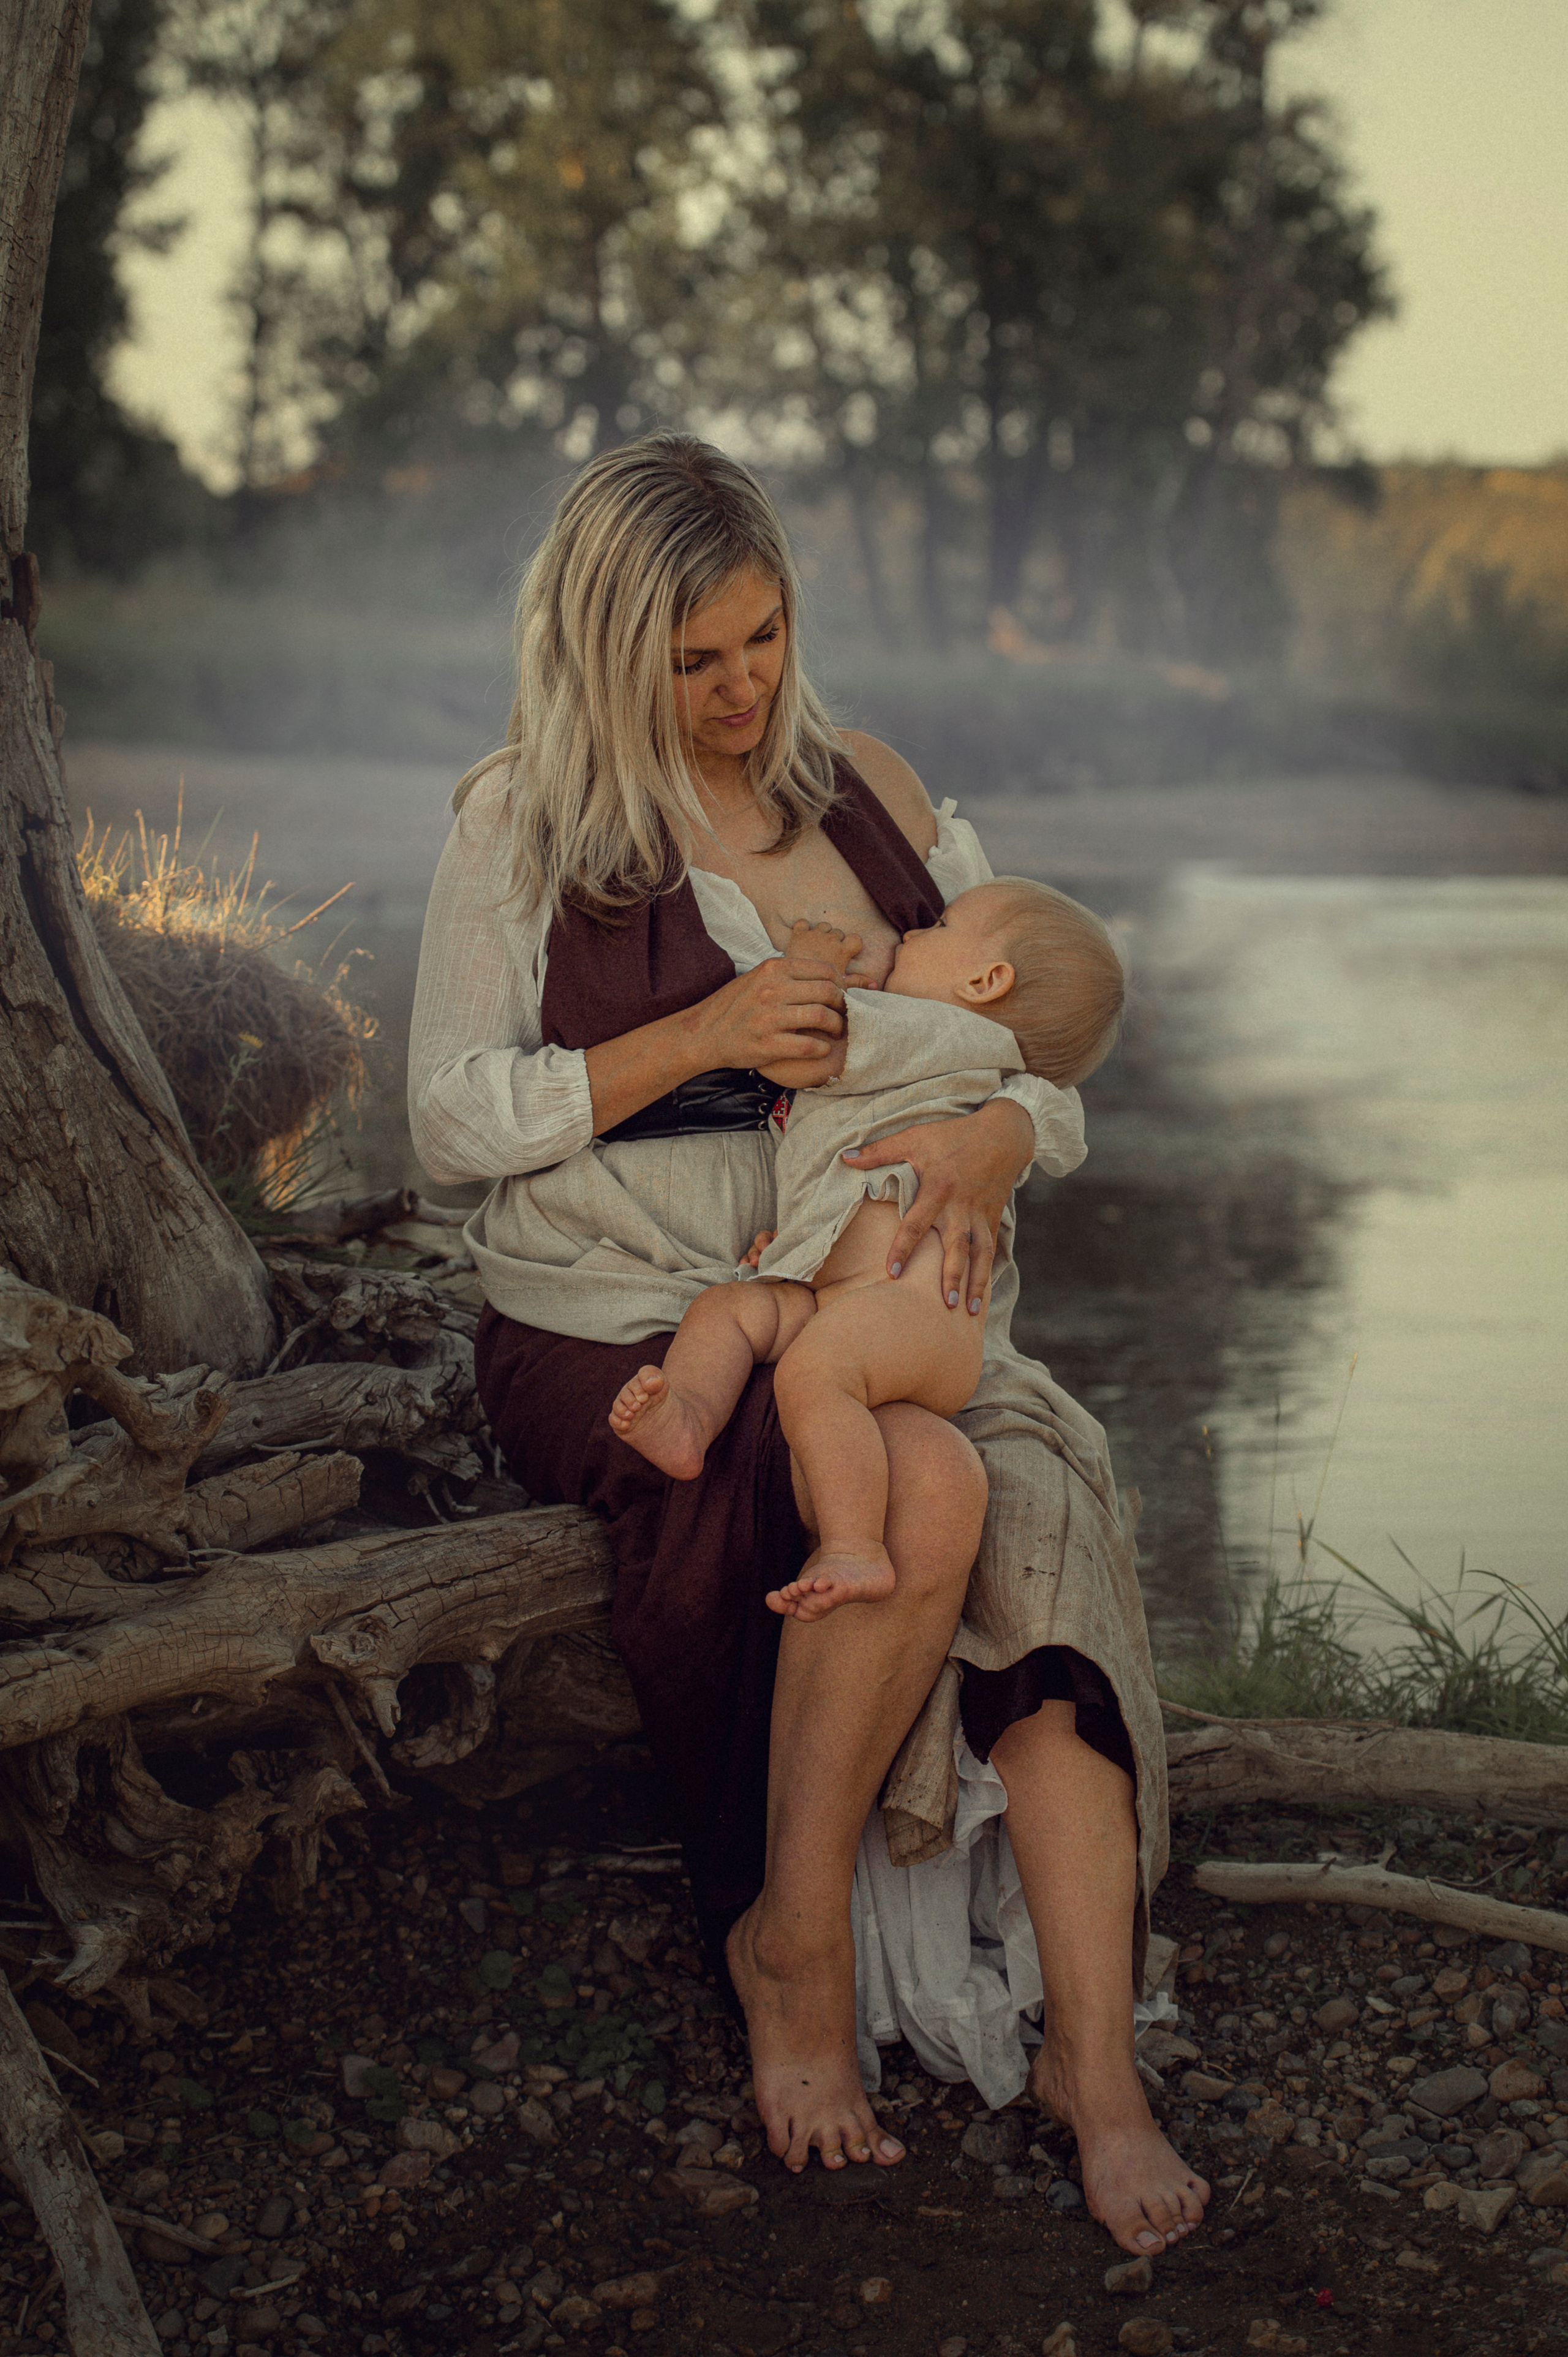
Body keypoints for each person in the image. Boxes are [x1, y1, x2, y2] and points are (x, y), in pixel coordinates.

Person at [408, 432, 1209, 2257]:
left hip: (870, 1305)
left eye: (760, 636)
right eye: (693, 661)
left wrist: (997, 1144)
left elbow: (1033, 1043)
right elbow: (453, 1119)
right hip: (615, 1319)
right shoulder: (520, 818)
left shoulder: (880, 796)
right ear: (609, 650)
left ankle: (1097, 2063)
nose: (740, 685)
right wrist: (693, 1034)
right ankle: (793, 1951)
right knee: (922, 1478)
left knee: (1033, 1509)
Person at [606, 886, 1125, 1621]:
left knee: (815, 1370)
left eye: (940, 926)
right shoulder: (976, 1065)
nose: (914, 929)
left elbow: (797, 1050)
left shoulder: (929, 1029)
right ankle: (688, 1417)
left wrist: (809, 964)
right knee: (731, 1307)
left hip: (908, 1309)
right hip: (844, 1293)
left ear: (984, 982)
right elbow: (1059, 1126)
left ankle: (854, 1546)